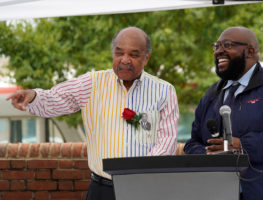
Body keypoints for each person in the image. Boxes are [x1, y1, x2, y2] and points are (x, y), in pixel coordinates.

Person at [6, 26, 179, 200]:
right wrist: (35, 96)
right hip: (102, 190)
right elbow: (55, 98)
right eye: (119, 53)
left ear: (146, 58)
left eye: (133, 55)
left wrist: (139, 175)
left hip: (147, 189)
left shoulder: (164, 91)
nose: (125, 60)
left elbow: (167, 142)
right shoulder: (91, 84)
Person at [184, 27, 263, 200]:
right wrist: (209, 154)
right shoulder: (211, 94)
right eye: (216, 46)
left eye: (227, 45)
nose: (219, 51)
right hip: (220, 193)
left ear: (250, 51)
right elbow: (192, 142)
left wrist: (243, 146)